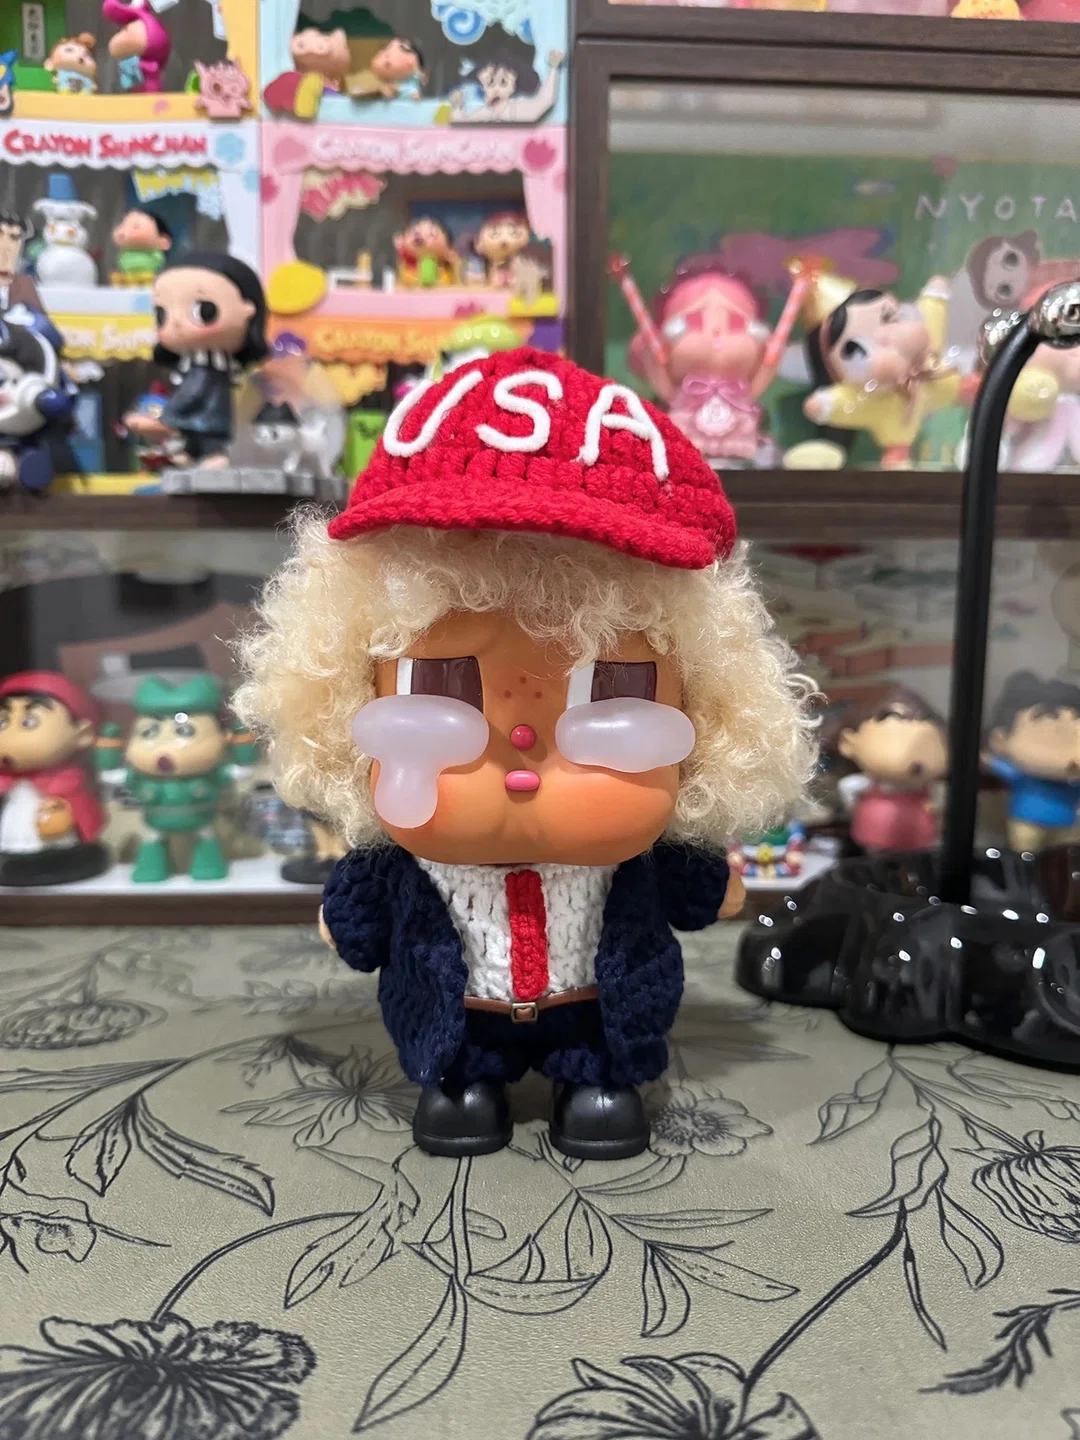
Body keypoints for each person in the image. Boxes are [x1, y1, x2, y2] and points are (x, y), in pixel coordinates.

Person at [235, 348, 815, 1160]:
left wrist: (713, 884)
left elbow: (692, 886)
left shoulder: (637, 854)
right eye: (444, 685)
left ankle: (595, 1081)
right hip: (457, 1025)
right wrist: (348, 917)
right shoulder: (403, 857)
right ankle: (464, 1083)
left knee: (602, 1079)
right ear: (346, 705)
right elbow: (361, 916)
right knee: (461, 1086)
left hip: (599, 1016)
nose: (522, 751)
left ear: (709, 717)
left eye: (607, 687)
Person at [152, 252, 268, 469]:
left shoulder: (206, 366)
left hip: (207, 421)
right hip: (203, 423)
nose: (176, 322)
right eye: (162, 314)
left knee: (210, 445)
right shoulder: (196, 364)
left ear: (248, 310)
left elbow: (193, 391)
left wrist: (168, 415)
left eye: (203, 310)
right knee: (195, 446)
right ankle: (193, 453)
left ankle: (207, 454)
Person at [0, 671, 108, 886]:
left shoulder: (68, 782)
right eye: (3, 722)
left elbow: (82, 809)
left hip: (57, 842)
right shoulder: (6, 782)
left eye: (29, 722)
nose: (8, 736)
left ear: (82, 734)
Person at [836, 687, 947, 852]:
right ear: (849, 743)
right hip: (875, 836)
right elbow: (847, 788)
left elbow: (939, 802)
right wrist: (855, 808)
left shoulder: (929, 786)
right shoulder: (867, 783)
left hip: (921, 839)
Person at [985, 671, 1080, 853]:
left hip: (1066, 825)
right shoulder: (1022, 775)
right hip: (1027, 823)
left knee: (1063, 857)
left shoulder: (1073, 781)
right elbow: (1002, 768)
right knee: (1025, 854)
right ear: (1001, 738)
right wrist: (986, 759)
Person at [449, 48, 564, 124]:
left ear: (513, 87)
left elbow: (545, 101)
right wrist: (457, 108)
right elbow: (465, 126)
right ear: (483, 86)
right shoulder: (484, 113)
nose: (496, 89)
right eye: (490, 83)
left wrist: (554, 69)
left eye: (503, 83)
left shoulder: (518, 109)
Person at [110, 208, 172, 286]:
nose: (124, 231)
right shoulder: (124, 253)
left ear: (163, 241)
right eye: (122, 226)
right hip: (127, 280)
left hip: (149, 280)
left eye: (136, 227)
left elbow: (158, 261)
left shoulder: (154, 254)